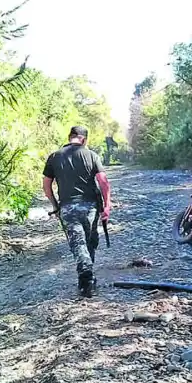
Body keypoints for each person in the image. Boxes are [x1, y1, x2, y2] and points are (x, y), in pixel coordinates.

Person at [43, 126, 111, 297]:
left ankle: (85, 276)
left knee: (77, 242)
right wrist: (107, 204)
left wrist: (55, 205)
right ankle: (87, 274)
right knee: (89, 241)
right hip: (90, 207)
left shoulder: (54, 157)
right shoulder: (91, 155)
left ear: (70, 137)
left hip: (67, 207)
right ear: (84, 140)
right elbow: (103, 181)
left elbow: (46, 185)